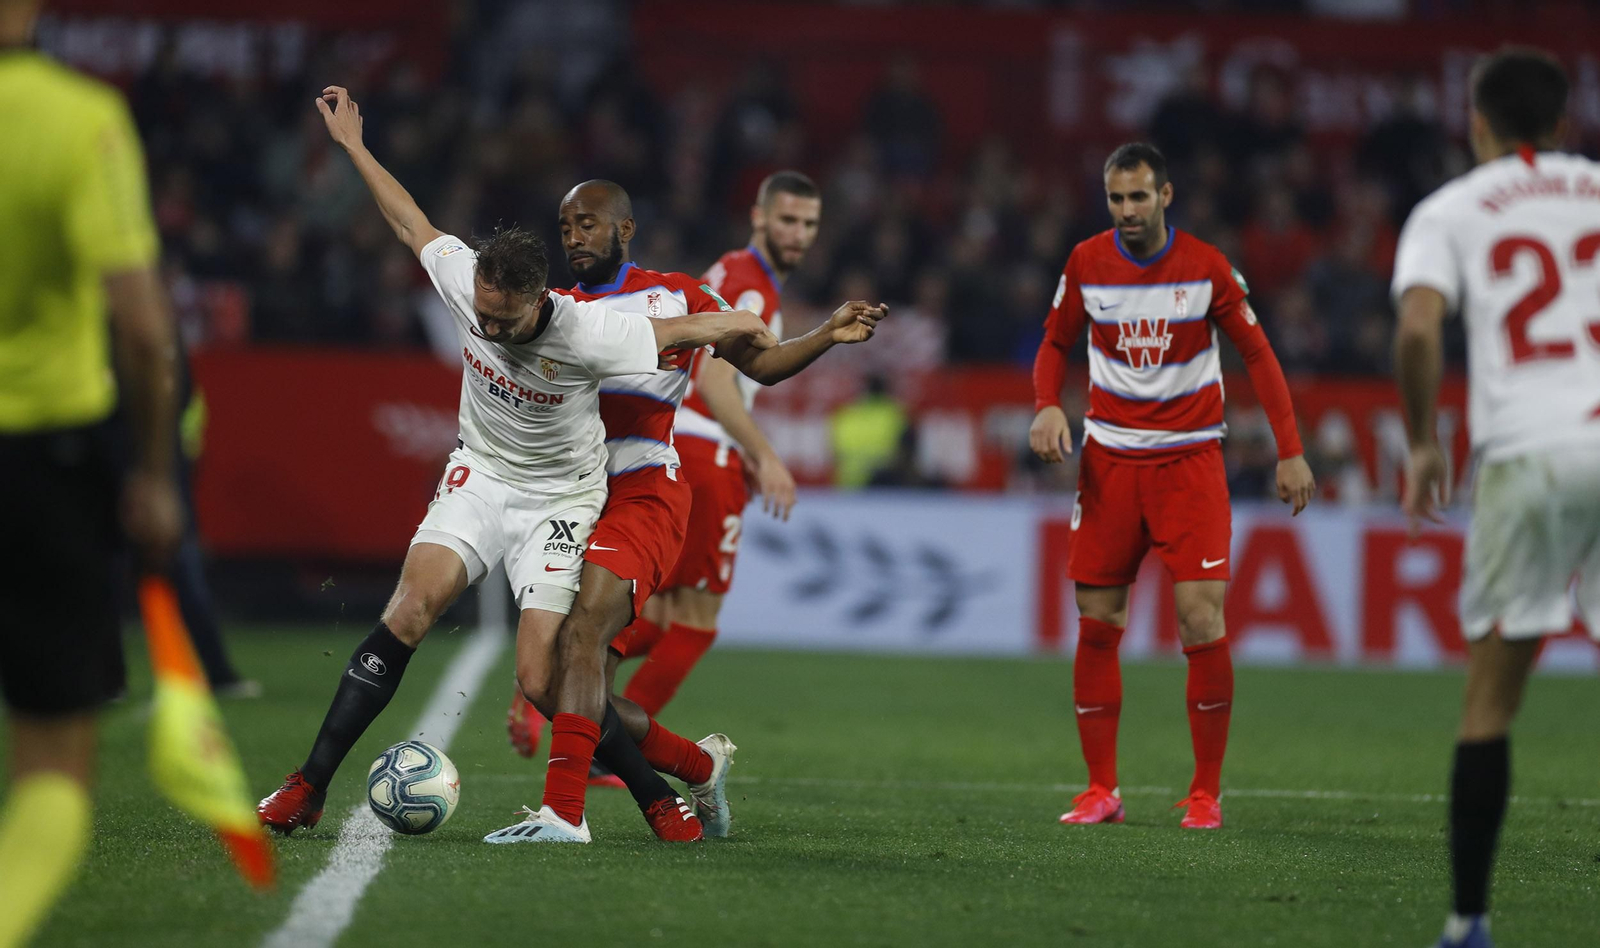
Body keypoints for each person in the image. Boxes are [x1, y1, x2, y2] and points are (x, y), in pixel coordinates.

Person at [256, 88, 775, 842]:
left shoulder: (589, 329)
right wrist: (353, 147)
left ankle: (662, 792)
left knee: (542, 682)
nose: (491, 330)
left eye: (505, 320)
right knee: (407, 609)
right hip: (481, 473)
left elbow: (682, 327)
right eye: (483, 316)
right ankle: (308, 785)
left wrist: (736, 319)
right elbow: (410, 221)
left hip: (561, 499)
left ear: (541, 300)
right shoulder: (469, 282)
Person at [488, 179, 886, 844]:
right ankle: (695, 767)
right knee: (558, 682)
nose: (575, 238)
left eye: (588, 224)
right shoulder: (553, 310)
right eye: (564, 228)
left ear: (625, 229)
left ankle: (562, 816)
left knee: (588, 630)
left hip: (645, 489)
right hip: (576, 499)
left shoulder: (676, 293)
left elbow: (756, 365)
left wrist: (825, 335)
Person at [1029, 142, 1314, 831]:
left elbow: (1258, 352)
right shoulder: (1086, 262)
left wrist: (1292, 450)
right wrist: (1045, 403)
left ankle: (1205, 794)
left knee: (1200, 621)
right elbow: (1054, 342)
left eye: (1138, 197)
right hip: (1110, 465)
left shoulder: (1207, 267)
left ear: (1166, 196)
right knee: (1097, 624)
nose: (1127, 211)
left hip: (1189, 464)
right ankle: (1101, 790)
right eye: (1115, 199)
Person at [1392, 48, 1600, 948]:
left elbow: (1415, 329)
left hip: (1527, 452)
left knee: (1491, 701)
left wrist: (1422, 441)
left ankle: (1469, 921)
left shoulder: (1450, 209)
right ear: (1564, 125)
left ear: (1476, 123)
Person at [0, 0, 183, 942]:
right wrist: (151, 469)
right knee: (51, 773)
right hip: (41, 463)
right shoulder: (80, 120)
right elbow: (146, 331)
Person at [615, 170, 819, 722]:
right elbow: (716, 381)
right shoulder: (752, 282)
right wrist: (764, 455)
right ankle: (613, 753)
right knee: (696, 624)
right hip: (707, 453)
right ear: (759, 216)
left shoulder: (731, 270)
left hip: (682, 444)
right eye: (788, 220)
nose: (798, 234)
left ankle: (557, 685)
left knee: (658, 615)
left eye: (808, 224)